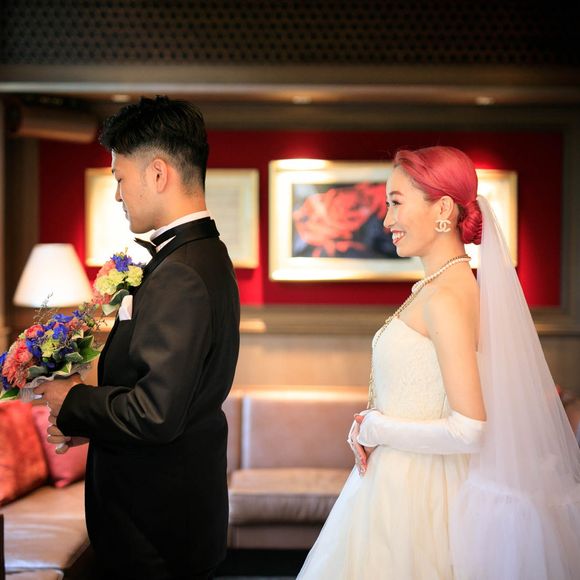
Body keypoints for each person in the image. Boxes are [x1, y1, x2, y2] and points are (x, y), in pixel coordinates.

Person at [297, 146, 580, 579]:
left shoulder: (446, 296)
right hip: (402, 483)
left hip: (416, 497)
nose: (386, 220)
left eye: (396, 203)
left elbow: (470, 428)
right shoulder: (442, 286)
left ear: (443, 208)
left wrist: (376, 427)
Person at [34, 96, 240, 580]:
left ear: (158, 173)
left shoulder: (182, 271)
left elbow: (155, 413)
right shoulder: (201, 254)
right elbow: (173, 401)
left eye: (120, 178)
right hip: (173, 519)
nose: (117, 195)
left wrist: (73, 400)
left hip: (154, 529)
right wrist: (90, 423)